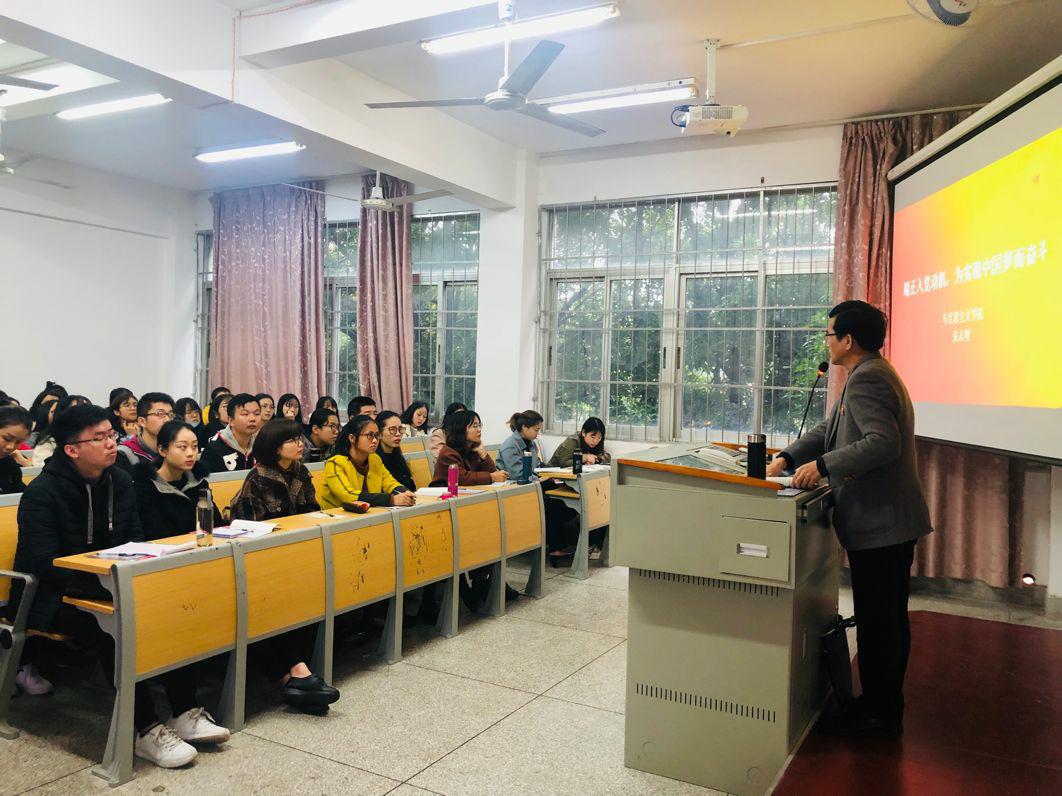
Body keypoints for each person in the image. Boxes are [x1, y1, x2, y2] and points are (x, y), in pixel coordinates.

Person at [10, 404, 223, 767]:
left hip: (111, 583)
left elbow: (134, 540)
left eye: (112, 434)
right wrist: (105, 582)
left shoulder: (121, 481)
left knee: (172, 609)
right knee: (120, 628)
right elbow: (45, 563)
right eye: (100, 438)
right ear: (72, 449)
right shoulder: (42, 492)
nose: (112, 443)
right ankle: (145, 729)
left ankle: (184, 711)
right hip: (52, 597)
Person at [766, 300, 933, 739]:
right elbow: (831, 431)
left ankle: (881, 715)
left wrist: (822, 467)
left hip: (883, 525)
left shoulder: (869, 378)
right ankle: (878, 704)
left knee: (882, 625)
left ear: (848, 339)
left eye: (829, 335)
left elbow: (883, 443)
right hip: (883, 524)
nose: (826, 342)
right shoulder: (866, 373)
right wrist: (788, 457)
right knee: (881, 620)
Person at [226, 418, 340, 713]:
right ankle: (297, 675)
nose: (300, 444)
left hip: (293, 555)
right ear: (275, 447)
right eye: (292, 440)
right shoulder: (257, 478)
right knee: (276, 599)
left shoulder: (300, 471)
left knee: (310, 592)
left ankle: (294, 679)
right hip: (260, 562)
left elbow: (311, 511)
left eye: (299, 439)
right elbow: (251, 529)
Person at [497, 410, 582, 562]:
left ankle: (553, 544)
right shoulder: (510, 446)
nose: (538, 434)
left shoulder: (531, 444)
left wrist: (551, 473)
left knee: (561, 501)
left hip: (532, 486)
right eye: (536, 430)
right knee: (554, 505)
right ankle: (554, 547)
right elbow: (517, 474)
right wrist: (540, 479)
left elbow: (537, 466)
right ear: (524, 428)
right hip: (515, 490)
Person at [132, 421, 222, 542]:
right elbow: (153, 534)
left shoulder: (198, 482)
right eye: (183, 447)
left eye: (194, 446)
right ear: (162, 450)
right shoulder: (145, 487)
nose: (190, 453)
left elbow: (216, 524)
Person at [319, 416, 415, 509]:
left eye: (377, 435)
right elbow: (348, 495)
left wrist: (405, 492)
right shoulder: (334, 464)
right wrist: (391, 500)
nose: (375, 440)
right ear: (352, 438)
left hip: (368, 514)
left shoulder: (375, 459)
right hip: (336, 516)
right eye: (370, 435)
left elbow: (389, 482)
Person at [430, 410, 507, 489]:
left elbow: (493, 472)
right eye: (475, 426)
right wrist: (491, 477)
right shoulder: (448, 453)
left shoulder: (472, 449)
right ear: (461, 429)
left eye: (479, 425)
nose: (479, 430)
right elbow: (462, 478)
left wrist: (483, 455)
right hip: (443, 494)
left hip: (467, 492)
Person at [201, 394, 260, 472]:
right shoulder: (214, 449)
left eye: (257, 414)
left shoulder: (261, 445)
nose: (252, 419)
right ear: (231, 420)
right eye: (245, 414)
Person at [116, 392, 174, 467]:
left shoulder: (176, 448)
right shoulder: (124, 453)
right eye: (160, 414)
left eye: (171, 415)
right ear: (142, 421)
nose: (167, 420)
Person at [31, 394, 90, 466]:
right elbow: (42, 468)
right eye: (75, 413)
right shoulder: (48, 443)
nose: (83, 418)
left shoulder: (96, 438)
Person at [375, 410, 416, 493]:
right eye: (392, 429)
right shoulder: (375, 460)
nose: (398, 434)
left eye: (400, 429)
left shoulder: (398, 458)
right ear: (379, 433)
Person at [0, 405, 32, 494]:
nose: (11, 447)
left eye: (18, 442)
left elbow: (22, 493)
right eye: (7, 438)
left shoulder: (9, 464)